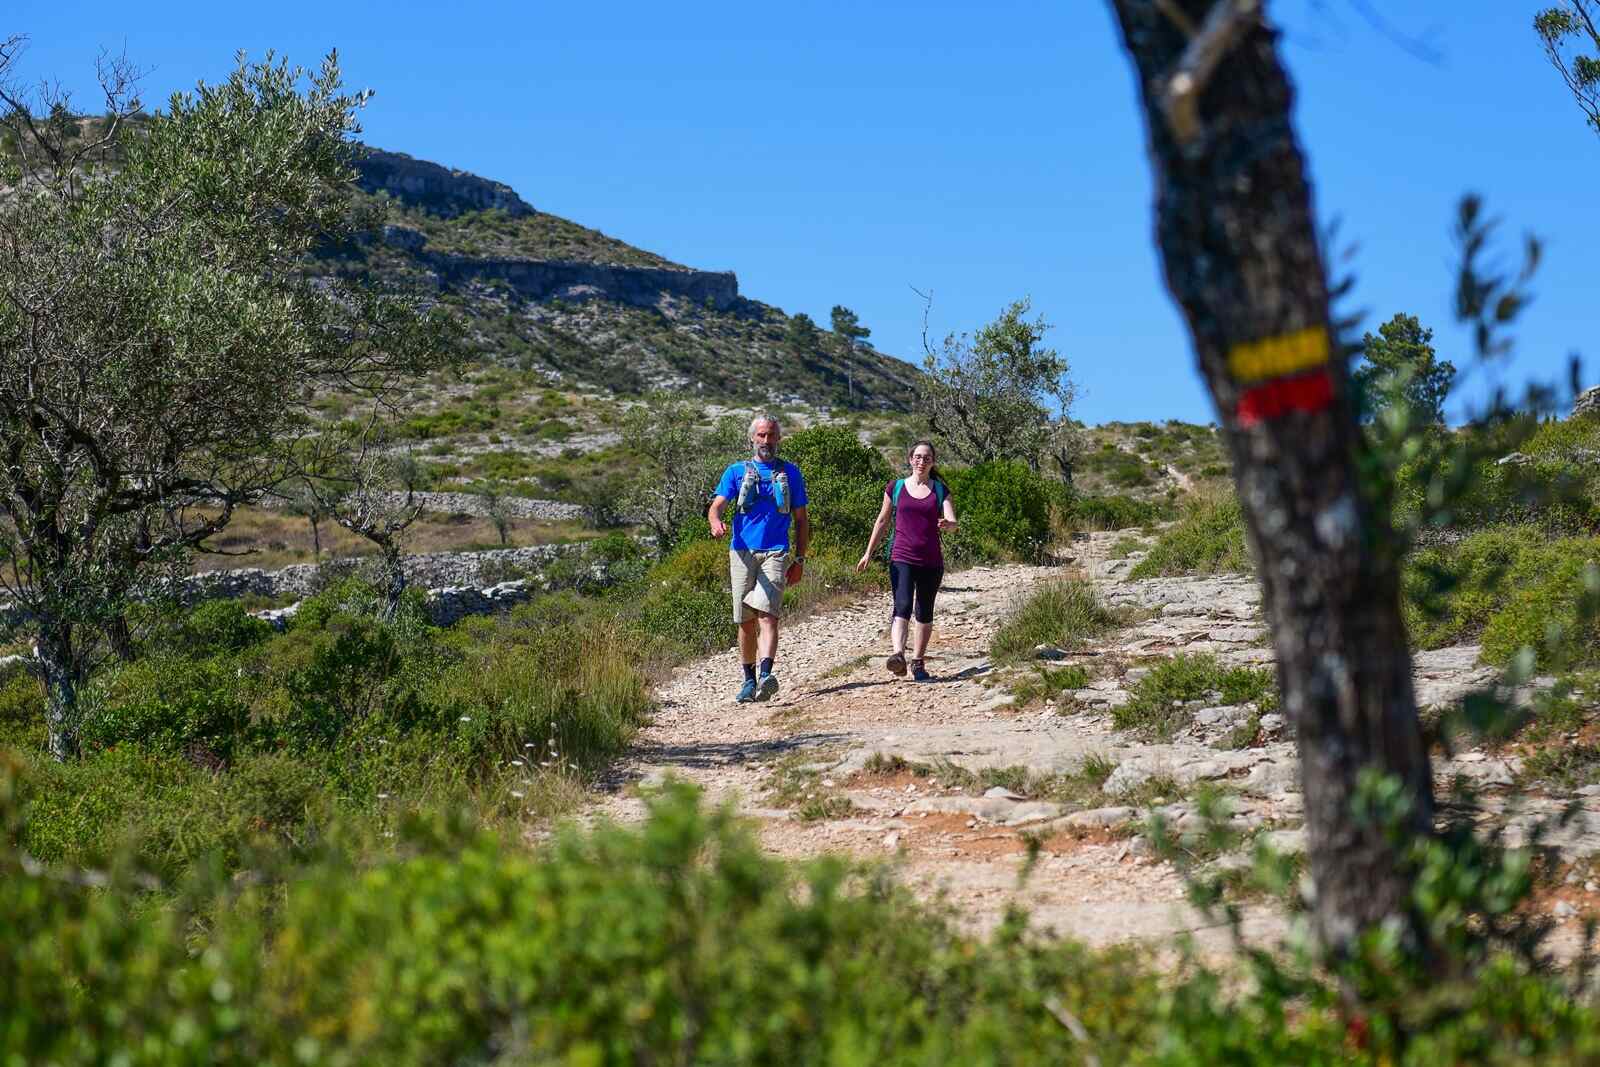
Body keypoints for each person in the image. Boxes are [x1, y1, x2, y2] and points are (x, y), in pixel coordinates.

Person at [708, 415, 810, 703]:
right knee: (745, 621)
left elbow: (802, 520)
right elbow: (716, 506)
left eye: (772, 435)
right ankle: (748, 680)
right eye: (762, 435)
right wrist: (715, 522)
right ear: (752, 438)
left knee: (768, 614)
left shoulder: (791, 473)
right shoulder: (735, 471)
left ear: (779, 438)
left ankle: (766, 674)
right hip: (741, 552)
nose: (767, 441)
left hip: (776, 551)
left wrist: (799, 560)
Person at [856, 441, 957, 681]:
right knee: (901, 605)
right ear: (910, 459)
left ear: (933, 462)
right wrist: (868, 552)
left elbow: (953, 521)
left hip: (931, 561)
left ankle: (918, 662)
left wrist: (948, 524)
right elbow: (882, 521)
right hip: (901, 557)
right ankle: (898, 655)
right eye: (918, 457)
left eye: (927, 458)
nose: (922, 461)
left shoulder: (940, 490)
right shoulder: (896, 487)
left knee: (924, 611)